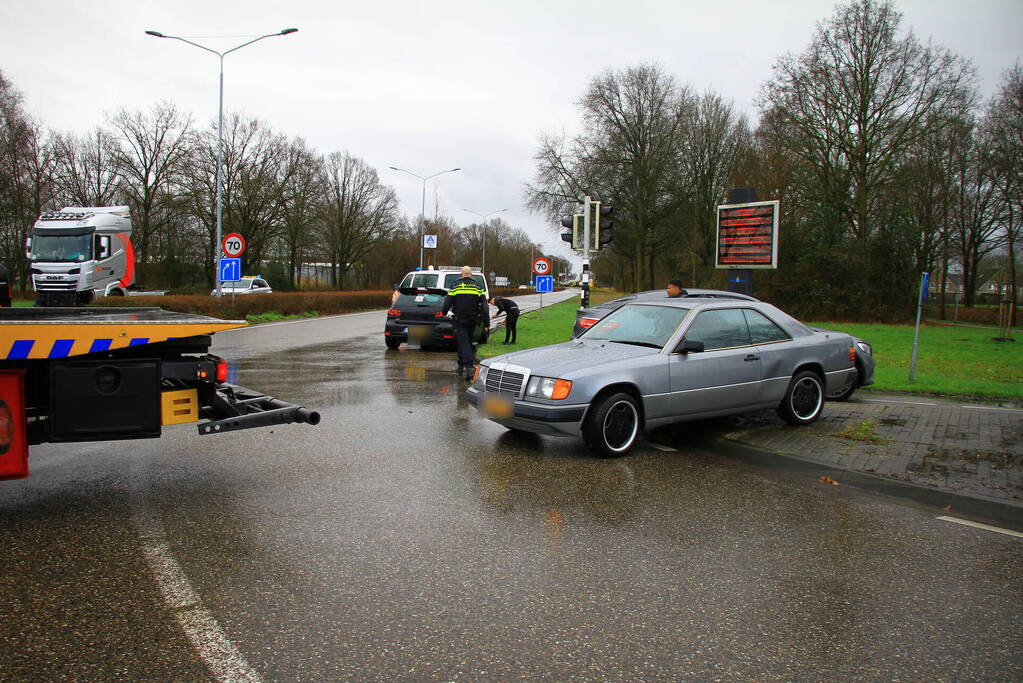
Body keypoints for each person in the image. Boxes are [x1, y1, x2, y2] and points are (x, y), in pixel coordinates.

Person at [442, 266, 489, 380]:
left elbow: (448, 302)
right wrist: (487, 323)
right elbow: (484, 306)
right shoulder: (478, 286)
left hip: (459, 319)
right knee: (464, 341)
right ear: (471, 275)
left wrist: (444, 312)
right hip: (473, 320)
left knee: (463, 342)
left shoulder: (455, 285)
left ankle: (469, 367)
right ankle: (460, 365)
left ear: (461, 274)